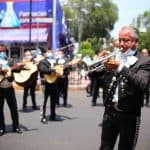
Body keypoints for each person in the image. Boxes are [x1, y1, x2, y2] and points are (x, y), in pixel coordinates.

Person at [99, 26, 150, 150]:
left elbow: (142, 84)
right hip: (110, 112)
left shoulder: (144, 61)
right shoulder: (115, 56)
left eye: (126, 40)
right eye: (120, 40)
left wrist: (121, 67)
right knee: (105, 147)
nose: (121, 44)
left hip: (129, 115)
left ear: (135, 42)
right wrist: (102, 64)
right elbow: (98, 77)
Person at [0, 44, 23, 136]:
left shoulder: (10, 60)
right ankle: (1, 128)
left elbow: (17, 70)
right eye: (0, 51)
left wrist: (19, 67)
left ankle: (16, 126)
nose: (2, 52)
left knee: (14, 108)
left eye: (3, 51)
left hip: (9, 88)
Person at [38, 49, 60, 123]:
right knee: (44, 101)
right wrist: (53, 70)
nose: (50, 53)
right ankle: (43, 116)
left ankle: (53, 115)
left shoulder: (56, 62)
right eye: (48, 52)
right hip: (45, 84)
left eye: (51, 52)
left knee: (53, 100)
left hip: (54, 83)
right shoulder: (42, 62)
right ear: (44, 54)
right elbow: (42, 70)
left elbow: (60, 70)